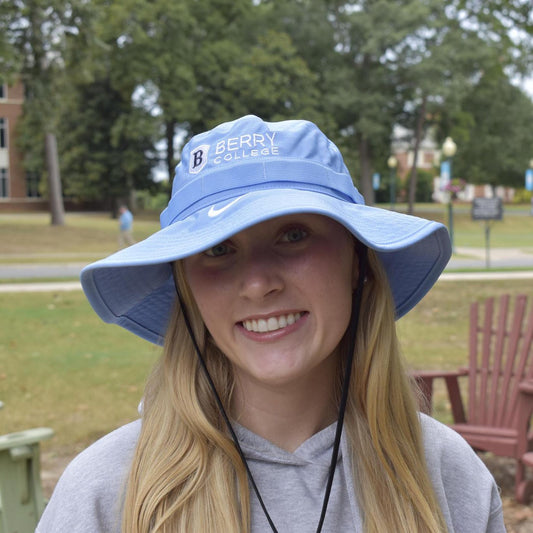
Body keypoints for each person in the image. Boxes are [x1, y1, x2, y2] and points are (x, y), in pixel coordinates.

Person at [37, 115, 504, 533]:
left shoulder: (445, 476)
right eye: (218, 249)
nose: (258, 284)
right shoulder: (108, 495)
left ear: (358, 262)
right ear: (186, 289)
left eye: (294, 235)